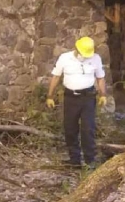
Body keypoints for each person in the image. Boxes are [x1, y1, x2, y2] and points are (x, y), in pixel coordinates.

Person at [46, 36, 107, 167]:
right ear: (76, 48)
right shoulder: (64, 58)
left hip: (88, 97)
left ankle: (90, 161)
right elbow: (56, 77)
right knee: (70, 128)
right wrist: (50, 96)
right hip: (70, 98)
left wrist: (103, 94)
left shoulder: (95, 58)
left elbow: (100, 78)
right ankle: (74, 159)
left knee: (88, 128)